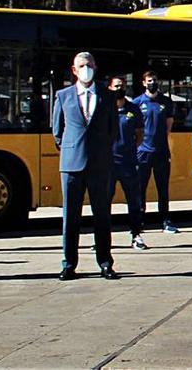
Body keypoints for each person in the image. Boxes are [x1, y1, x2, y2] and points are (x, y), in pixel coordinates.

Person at [53, 52, 120, 281]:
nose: (86, 69)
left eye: (89, 65)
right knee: (70, 217)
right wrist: (73, 149)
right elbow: (57, 132)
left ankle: (105, 262)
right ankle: (69, 264)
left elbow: (114, 131)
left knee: (102, 215)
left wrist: (99, 150)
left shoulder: (108, 97)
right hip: (72, 164)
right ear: (74, 70)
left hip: (100, 164)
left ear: (95, 67)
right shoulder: (63, 96)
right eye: (81, 65)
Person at [134, 70, 177, 234]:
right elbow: (136, 129)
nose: (153, 83)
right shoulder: (137, 102)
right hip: (142, 153)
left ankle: (165, 220)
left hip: (161, 152)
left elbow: (168, 126)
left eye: (155, 80)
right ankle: (139, 221)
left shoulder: (166, 102)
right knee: (140, 188)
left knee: (163, 188)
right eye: (150, 80)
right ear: (144, 83)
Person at [108, 76, 147, 251]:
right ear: (110, 88)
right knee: (104, 202)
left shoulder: (133, 109)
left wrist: (129, 148)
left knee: (134, 201)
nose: (119, 88)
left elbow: (139, 135)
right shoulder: (104, 109)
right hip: (108, 163)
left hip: (128, 162)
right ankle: (102, 239)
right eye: (116, 86)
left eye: (122, 86)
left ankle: (136, 235)